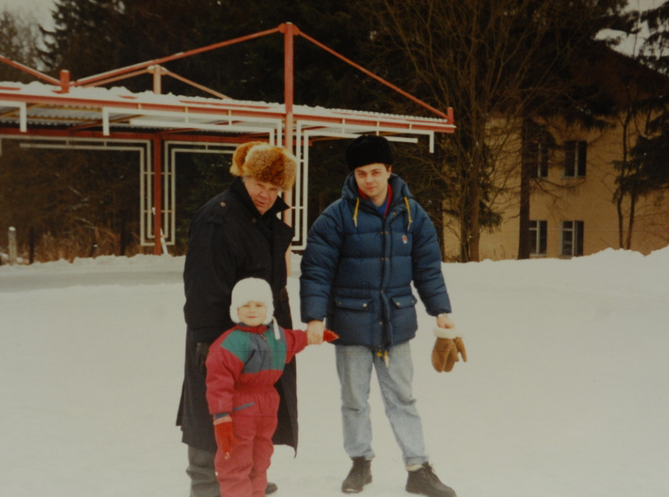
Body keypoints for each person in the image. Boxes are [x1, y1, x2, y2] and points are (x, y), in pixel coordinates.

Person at [300, 135, 464, 497]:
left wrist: (441, 310)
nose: (369, 180)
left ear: (390, 171)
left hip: (396, 323)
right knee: (354, 399)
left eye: (376, 172)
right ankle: (360, 462)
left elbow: (427, 268)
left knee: (402, 399)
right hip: (349, 324)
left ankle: (418, 467)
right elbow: (316, 269)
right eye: (361, 173)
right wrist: (314, 316)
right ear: (354, 175)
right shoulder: (337, 216)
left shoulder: (412, 213)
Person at [177, 141, 298, 497]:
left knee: (251, 416)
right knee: (211, 416)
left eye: (275, 188)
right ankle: (205, 486)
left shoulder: (262, 221)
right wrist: (208, 347)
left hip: (258, 342)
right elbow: (202, 289)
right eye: (260, 184)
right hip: (219, 343)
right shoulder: (218, 218)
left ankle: (244, 475)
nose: (266, 194)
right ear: (244, 176)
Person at [206, 277, 337, 497]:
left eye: (258, 305)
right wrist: (221, 417)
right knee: (236, 463)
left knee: (261, 460)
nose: (251, 310)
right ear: (235, 309)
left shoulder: (277, 336)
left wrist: (318, 335)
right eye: (245, 305)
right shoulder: (229, 343)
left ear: (268, 309)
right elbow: (218, 383)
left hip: (267, 408)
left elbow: (297, 339)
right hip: (240, 409)